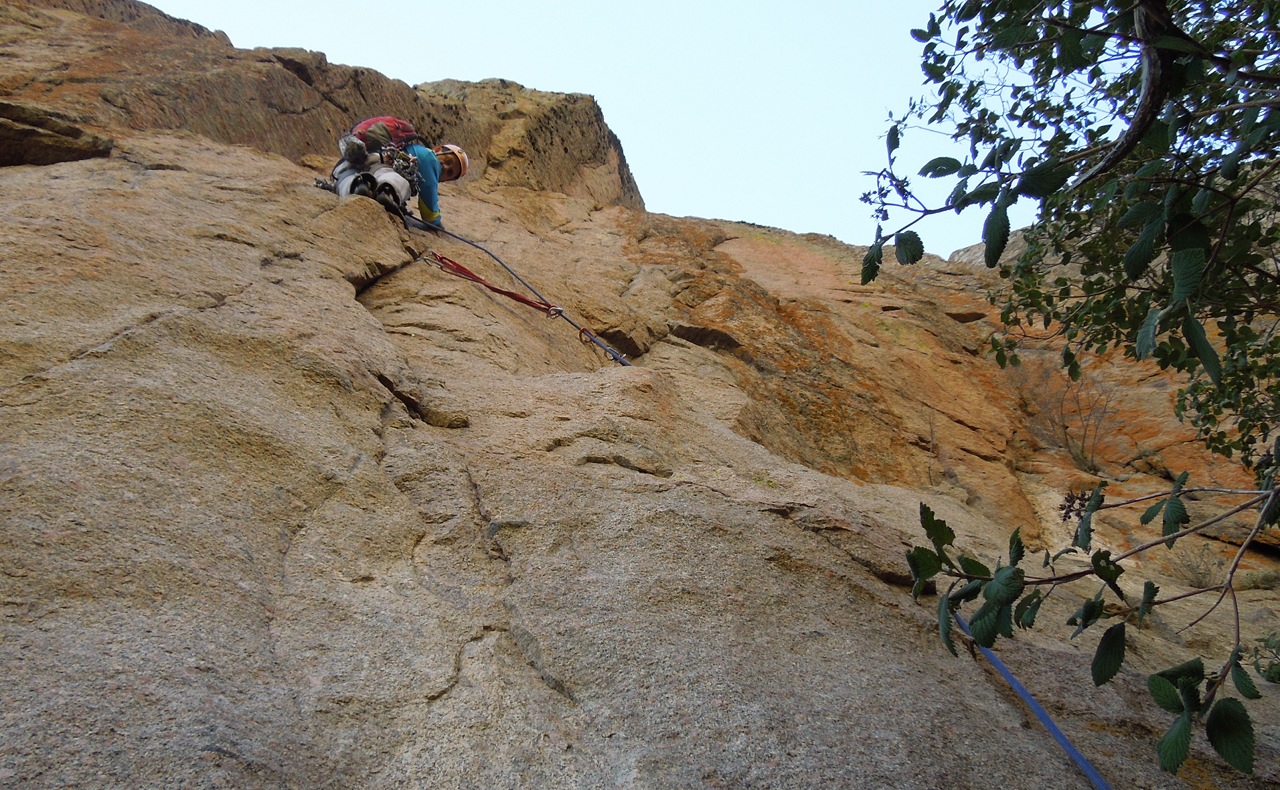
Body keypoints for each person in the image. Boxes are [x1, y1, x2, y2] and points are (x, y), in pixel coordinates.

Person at [330, 116, 468, 228]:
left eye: (449, 173)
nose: (444, 167)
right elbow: (429, 208)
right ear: (437, 150)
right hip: (381, 164)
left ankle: (356, 185)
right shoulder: (429, 158)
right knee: (398, 181)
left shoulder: (409, 149)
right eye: (448, 161)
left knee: (344, 178)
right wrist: (436, 222)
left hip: (353, 161)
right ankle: (387, 191)